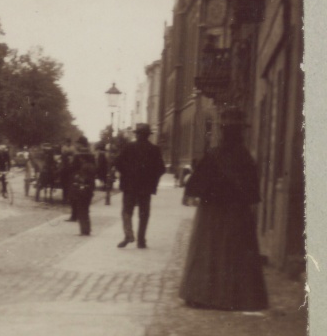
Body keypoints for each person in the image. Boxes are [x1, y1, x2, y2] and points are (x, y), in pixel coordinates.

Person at [179, 108, 267, 310]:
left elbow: (196, 185)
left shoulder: (214, 154)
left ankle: (203, 294)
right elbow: (252, 191)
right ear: (240, 133)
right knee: (236, 253)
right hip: (237, 214)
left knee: (209, 251)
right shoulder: (245, 157)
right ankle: (236, 298)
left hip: (212, 214)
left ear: (222, 132)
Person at [113, 123, 166, 249]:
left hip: (129, 186)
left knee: (127, 211)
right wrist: (153, 180)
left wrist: (126, 174)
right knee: (144, 214)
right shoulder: (154, 149)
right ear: (148, 135)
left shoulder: (128, 147)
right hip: (146, 188)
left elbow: (117, 163)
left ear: (136, 134)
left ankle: (128, 235)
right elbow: (161, 169)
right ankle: (141, 240)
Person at [68, 136, 97, 235]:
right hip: (90, 184)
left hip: (79, 183)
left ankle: (84, 230)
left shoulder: (77, 155)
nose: (76, 145)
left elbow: (72, 168)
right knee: (86, 207)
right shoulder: (91, 155)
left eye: (78, 143)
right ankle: (87, 229)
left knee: (80, 207)